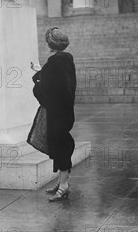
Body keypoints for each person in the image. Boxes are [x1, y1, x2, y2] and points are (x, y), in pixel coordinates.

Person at [31, 28, 77, 202]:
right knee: (61, 144)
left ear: (50, 45)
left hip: (56, 112)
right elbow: (61, 84)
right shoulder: (66, 59)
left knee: (60, 146)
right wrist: (40, 72)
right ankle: (61, 181)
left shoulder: (53, 63)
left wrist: (37, 80)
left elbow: (45, 89)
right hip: (65, 111)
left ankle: (64, 186)